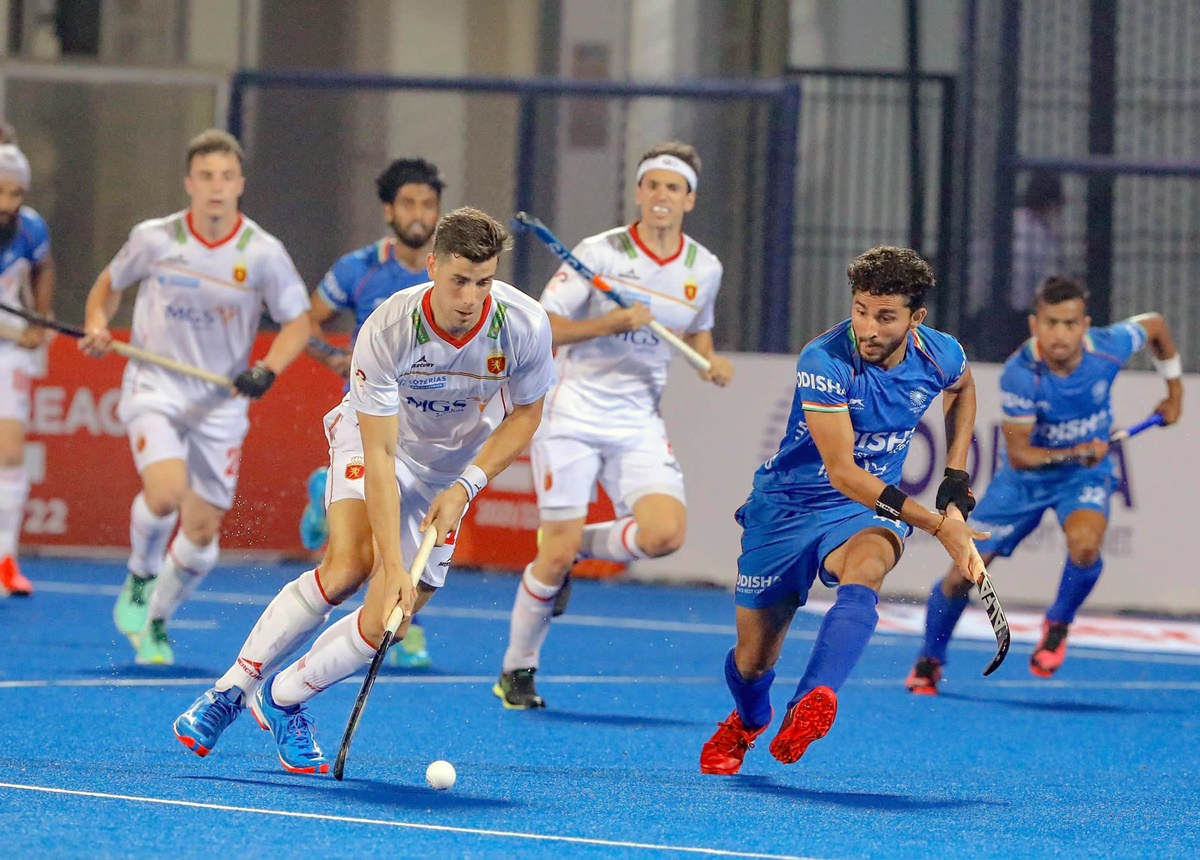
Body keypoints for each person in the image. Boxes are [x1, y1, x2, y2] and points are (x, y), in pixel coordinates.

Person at [172, 207, 555, 774]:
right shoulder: (389, 327)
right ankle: (230, 691)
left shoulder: (523, 324)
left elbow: (526, 415)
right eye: (458, 280)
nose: (471, 297)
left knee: (391, 623)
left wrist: (467, 486)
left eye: (484, 281)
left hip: (448, 472)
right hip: (379, 444)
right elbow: (378, 455)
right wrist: (394, 562)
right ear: (432, 268)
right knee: (352, 564)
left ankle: (285, 698)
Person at [699, 246, 989, 775]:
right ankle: (747, 719)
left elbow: (964, 389)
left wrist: (955, 477)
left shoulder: (940, 353)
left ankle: (813, 699)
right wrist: (939, 526)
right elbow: (844, 473)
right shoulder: (825, 360)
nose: (868, 327)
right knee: (753, 659)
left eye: (885, 316)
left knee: (869, 564)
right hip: (786, 508)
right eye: (860, 310)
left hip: (861, 512)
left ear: (915, 319)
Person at [493, 141, 735, 710]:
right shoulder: (597, 253)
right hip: (570, 412)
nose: (661, 196)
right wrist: (611, 322)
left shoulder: (705, 268)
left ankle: (577, 549)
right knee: (548, 558)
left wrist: (710, 359)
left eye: (672, 187)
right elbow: (543, 326)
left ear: (689, 200)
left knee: (663, 536)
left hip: (638, 421)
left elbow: (697, 332)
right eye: (652, 184)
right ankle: (516, 671)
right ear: (639, 192)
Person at [79, 129, 312, 664]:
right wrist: (97, 324)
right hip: (154, 386)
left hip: (222, 402)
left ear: (240, 185)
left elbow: (297, 322)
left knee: (203, 533)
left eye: (227, 177)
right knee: (165, 493)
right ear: (189, 183)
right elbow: (107, 286)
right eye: (206, 177)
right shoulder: (155, 238)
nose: (216, 187)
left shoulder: (262, 252)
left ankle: (156, 618)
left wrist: (267, 369)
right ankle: (140, 575)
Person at [906, 276, 1183, 692]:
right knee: (963, 574)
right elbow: (1021, 456)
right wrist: (1077, 451)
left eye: (1070, 323)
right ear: (1035, 325)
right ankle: (929, 659)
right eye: (1052, 323)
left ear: (1084, 325)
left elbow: (1157, 326)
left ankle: (1058, 623)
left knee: (1087, 546)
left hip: (1084, 476)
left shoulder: (1109, 345)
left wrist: (1174, 391)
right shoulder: (1021, 374)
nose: (1060, 334)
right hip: (1024, 481)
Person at [298, 157, 444, 670]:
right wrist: (330, 354)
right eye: (408, 203)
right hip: (368, 417)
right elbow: (306, 324)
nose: (419, 214)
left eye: (428, 204)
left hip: (426, 421)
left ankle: (326, 495)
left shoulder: (449, 276)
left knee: (410, 524)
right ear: (389, 210)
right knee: (360, 553)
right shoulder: (357, 269)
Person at [0, 142, 54, 597]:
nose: (7, 205)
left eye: (16, 194)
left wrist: (39, 318)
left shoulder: (29, 228)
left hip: (8, 349)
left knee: (11, 451)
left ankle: (6, 558)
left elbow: (44, 266)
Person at [971, 172, 1066, 360]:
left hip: (985, 308)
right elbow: (1042, 279)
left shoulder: (1008, 223)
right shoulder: (1038, 235)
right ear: (1050, 204)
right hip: (1016, 315)